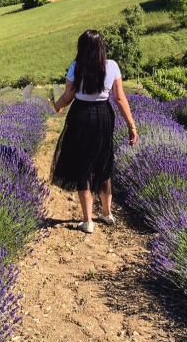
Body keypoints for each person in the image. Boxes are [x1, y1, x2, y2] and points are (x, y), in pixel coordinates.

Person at [50, 29, 138, 234]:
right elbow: (120, 98)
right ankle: (107, 214)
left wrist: (57, 106)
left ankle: (88, 221)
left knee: (83, 165)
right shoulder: (113, 66)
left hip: (81, 115)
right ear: (102, 47)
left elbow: (67, 97)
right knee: (104, 163)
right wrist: (131, 125)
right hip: (103, 116)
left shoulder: (76, 66)